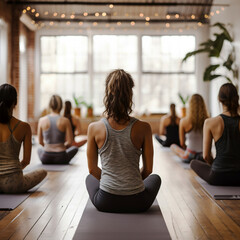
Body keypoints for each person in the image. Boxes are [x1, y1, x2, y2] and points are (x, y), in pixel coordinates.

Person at [85, 69, 161, 213]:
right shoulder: (144, 128)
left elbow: (92, 169)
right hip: (138, 202)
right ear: (130, 95)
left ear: (108, 94)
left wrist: (113, 181)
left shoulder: (94, 128)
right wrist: (128, 182)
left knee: (89, 178)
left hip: (106, 202)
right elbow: (148, 170)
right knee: (156, 178)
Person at [0, 84, 47, 193]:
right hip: (14, 184)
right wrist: (11, 173)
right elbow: (26, 161)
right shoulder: (24, 127)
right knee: (42, 171)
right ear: (15, 103)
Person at [191, 83, 240, 186]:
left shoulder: (210, 122)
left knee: (193, 163)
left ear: (219, 99)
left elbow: (206, 156)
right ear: (237, 98)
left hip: (218, 176)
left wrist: (215, 165)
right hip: (238, 176)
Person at [37, 95, 78, 164]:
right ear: (61, 106)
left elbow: (40, 142)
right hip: (61, 157)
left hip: (46, 157)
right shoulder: (65, 120)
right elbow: (70, 141)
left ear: (49, 106)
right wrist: (60, 147)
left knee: (39, 149)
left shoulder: (41, 120)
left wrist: (49, 148)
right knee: (75, 148)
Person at [170, 94, 209, 163]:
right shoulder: (208, 120)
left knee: (173, 146)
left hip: (189, 155)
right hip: (204, 155)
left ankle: (193, 161)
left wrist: (187, 149)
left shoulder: (183, 121)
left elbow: (182, 143)